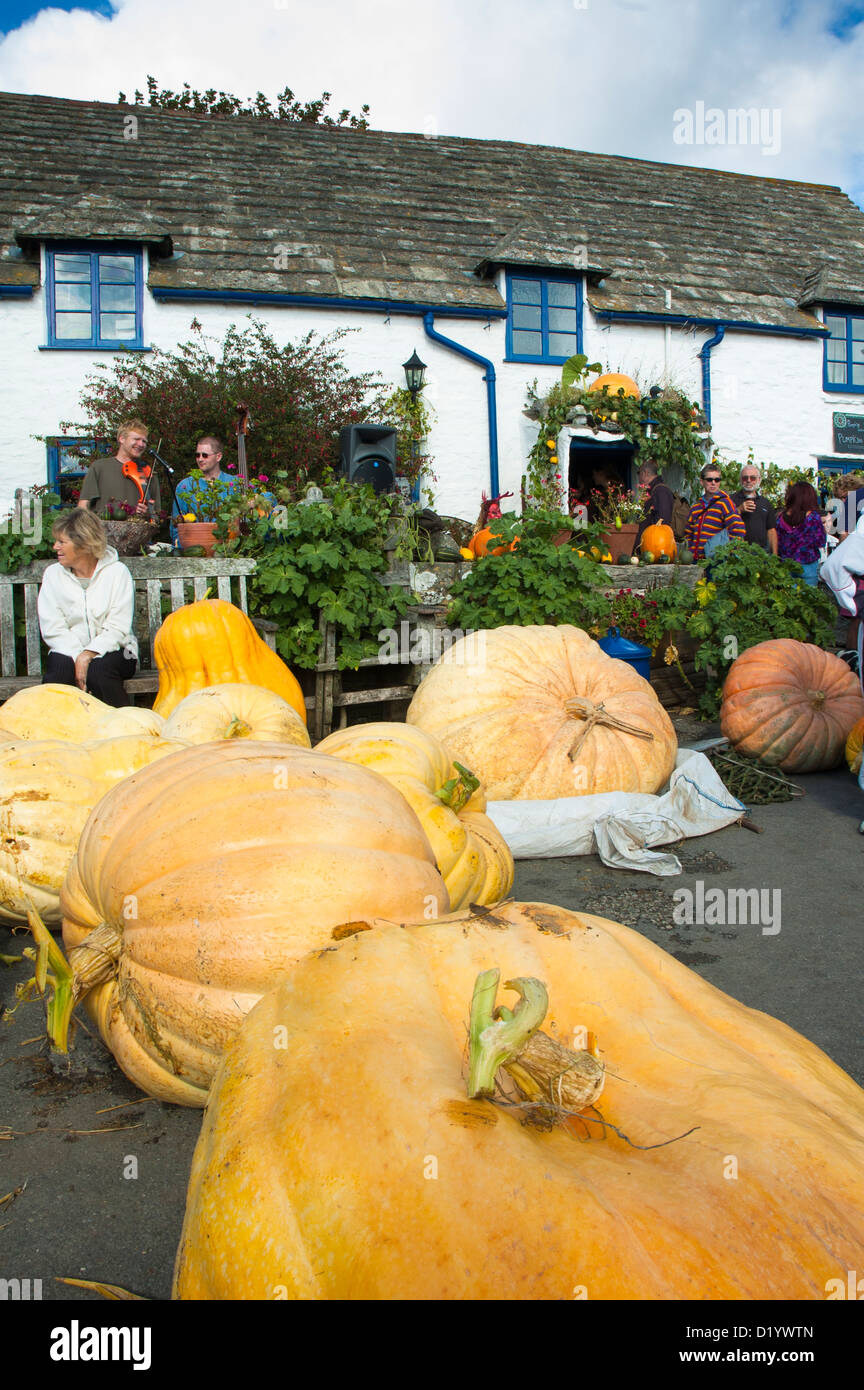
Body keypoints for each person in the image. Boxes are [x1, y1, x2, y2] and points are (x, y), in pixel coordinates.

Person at [37, 510, 137, 706]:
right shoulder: (52, 575)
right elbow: (53, 629)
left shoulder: (118, 573)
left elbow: (118, 628)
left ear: (84, 544)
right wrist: (78, 656)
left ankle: (122, 730)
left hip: (120, 649)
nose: (55, 547)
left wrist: (89, 654)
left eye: (62, 542)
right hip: (66, 649)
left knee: (99, 673)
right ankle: (57, 731)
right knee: (58, 675)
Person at [77, 419, 160, 519]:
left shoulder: (148, 473)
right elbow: (83, 506)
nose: (141, 444)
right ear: (122, 439)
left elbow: (157, 515)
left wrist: (148, 513)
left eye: (144, 441)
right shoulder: (99, 467)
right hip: (103, 532)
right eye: (136, 439)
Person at [172, 436, 238, 530]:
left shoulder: (233, 484)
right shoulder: (184, 486)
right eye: (197, 455)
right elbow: (176, 525)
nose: (200, 459)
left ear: (218, 456)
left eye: (205, 455)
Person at [684, 464, 746, 561]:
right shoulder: (696, 508)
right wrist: (691, 552)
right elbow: (688, 533)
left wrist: (728, 553)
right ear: (702, 482)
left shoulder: (725, 503)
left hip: (715, 562)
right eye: (709, 480)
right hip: (695, 561)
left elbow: (738, 529)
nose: (713, 483)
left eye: (717, 480)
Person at [775, 481, 825, 586]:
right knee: (808, 600)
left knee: (787, 599)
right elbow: (820, 542)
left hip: (786, 565)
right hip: (808, 565)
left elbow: (777, 541)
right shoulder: (813, 517)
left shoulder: (781, 518)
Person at [730, 463, 778, 555]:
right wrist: (738, 510)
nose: (748, 480)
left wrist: (775, 555)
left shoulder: (765, 503)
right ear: (740, 480)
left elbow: (771, 530)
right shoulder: (731, 500)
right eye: (745, 478)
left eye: (752, 478)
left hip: (761, 552)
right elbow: (722, 523)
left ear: (759, 480)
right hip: (736, 552)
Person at [634, 459, 675, 545]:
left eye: (638, 473)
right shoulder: (652, 490)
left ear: (645, 473)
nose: (638, 478)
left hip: (655, 546)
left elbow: (663, 521)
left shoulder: (661, 491)